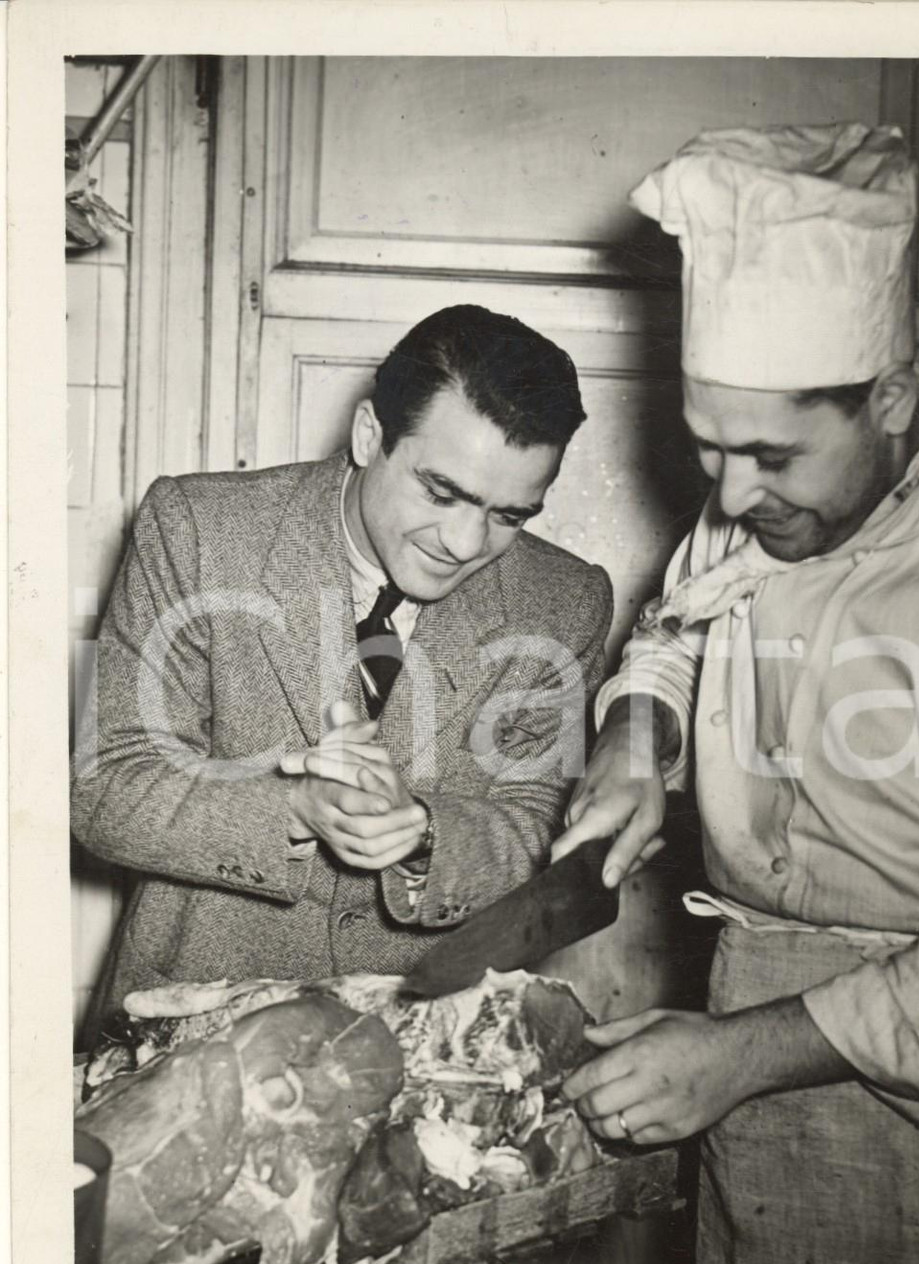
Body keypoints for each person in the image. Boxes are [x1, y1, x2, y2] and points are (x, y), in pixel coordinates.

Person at [555, 125, 919, 1264]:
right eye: (706, 448)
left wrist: (738, 1057)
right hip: (739, 1001)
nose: (727, 499)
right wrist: (633, 733)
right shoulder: (762, 509)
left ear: (893, 399)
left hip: (918, 1069)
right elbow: (675, 629)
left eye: (770, 454)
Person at [73, 304, 613, 1038]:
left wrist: (425, 831)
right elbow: (106, 785)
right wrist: (293, 808)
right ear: (369, 436)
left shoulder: (566, 600)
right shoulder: (196, 528)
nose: (463, 541)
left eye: (510, 515)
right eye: (441, 492)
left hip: (423, 1052)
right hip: (186, 1029)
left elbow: (540, 827)